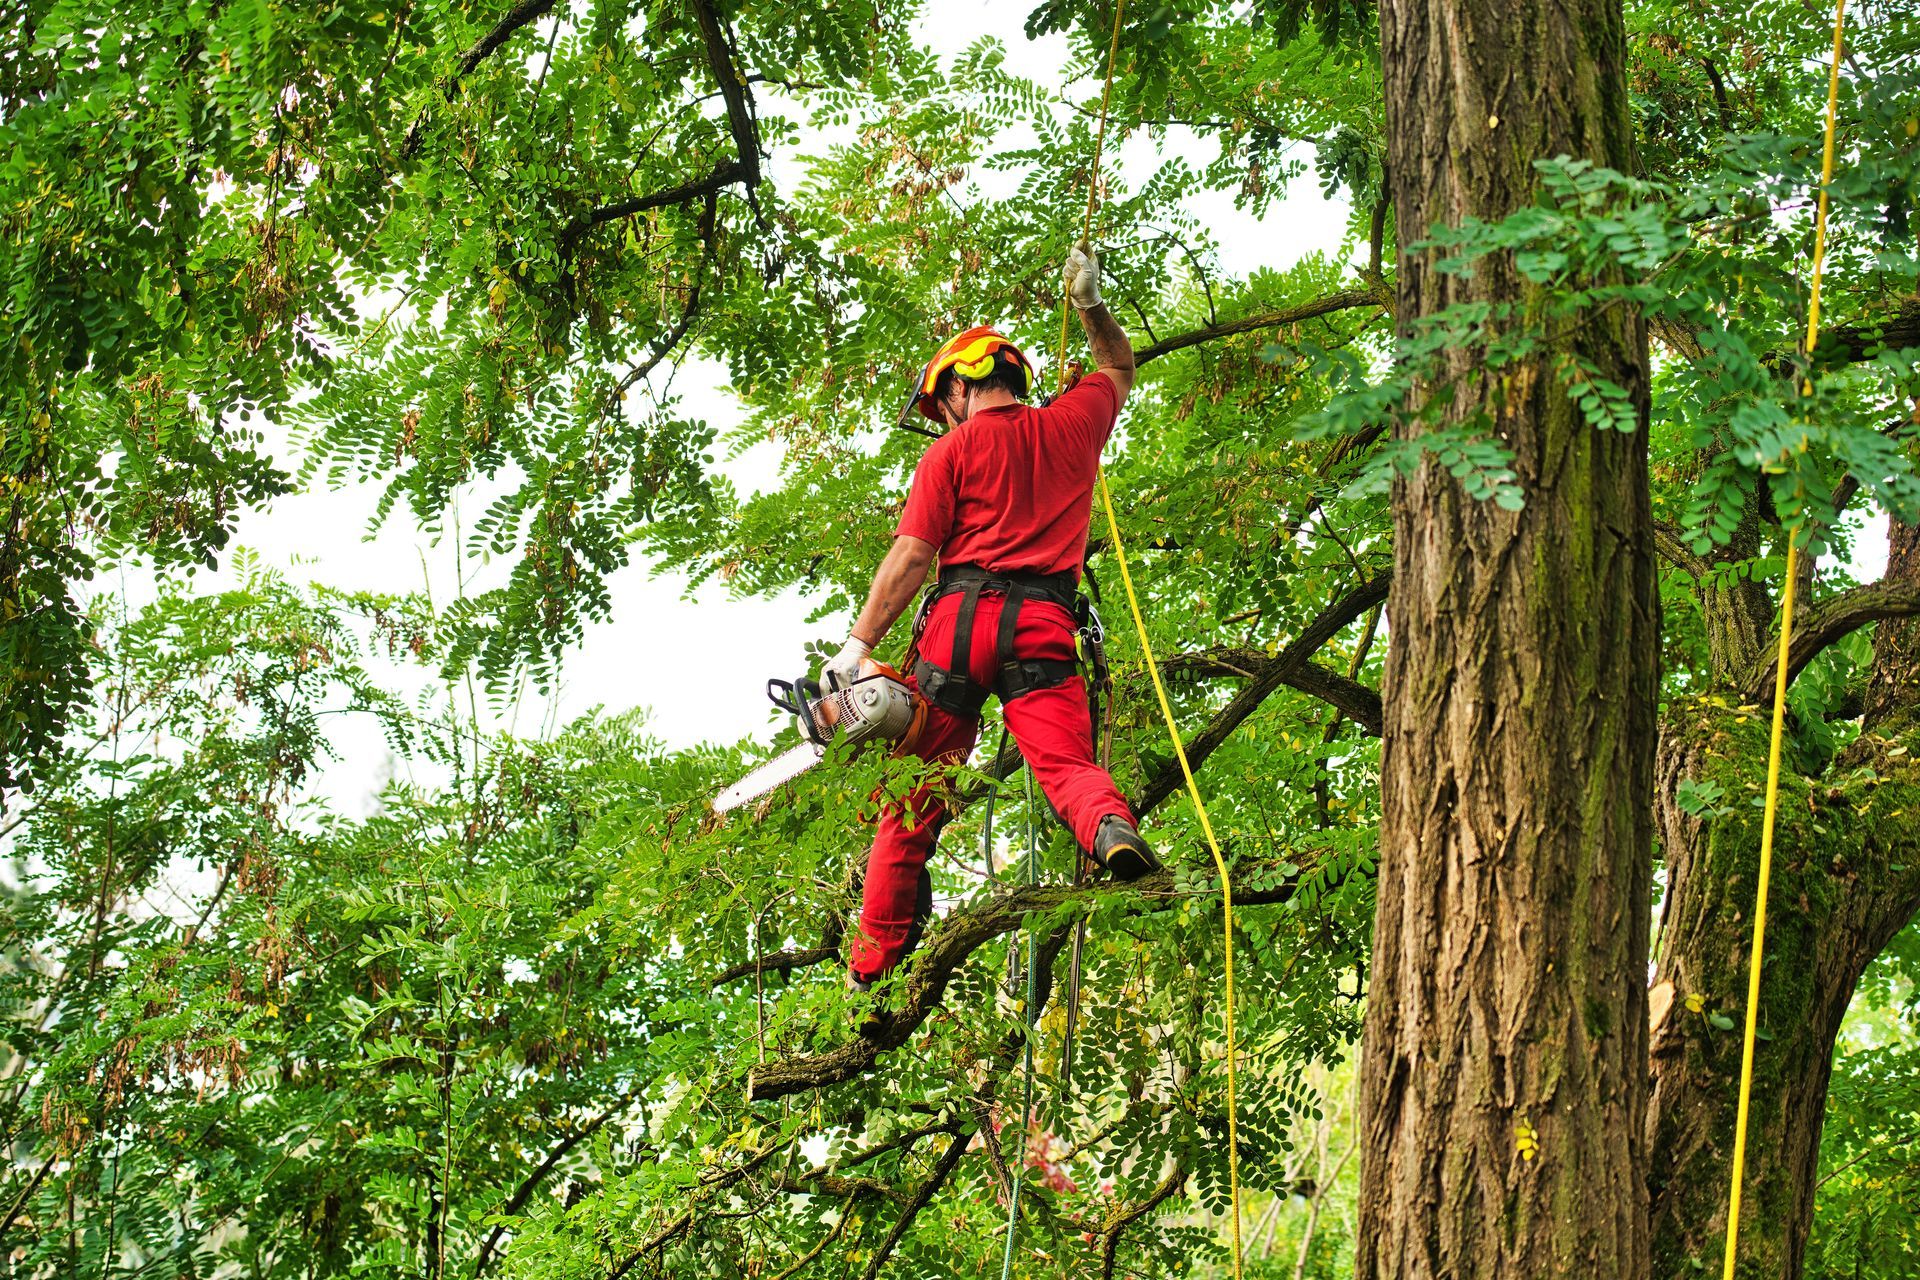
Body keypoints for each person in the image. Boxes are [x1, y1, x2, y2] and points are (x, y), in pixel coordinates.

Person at [818, 243, 1160, 998]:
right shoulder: (1074, 425)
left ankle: (871, 978)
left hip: (958, 630)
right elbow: (1119, 369)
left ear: (960, 389)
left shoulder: (952, 453)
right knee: (1068, 768)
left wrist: (856, 649)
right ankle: (1111, 831)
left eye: (940, 405)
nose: (941, 418)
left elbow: (911, 559)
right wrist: (1091, 306)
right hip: (1040, 627)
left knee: (909, 807)